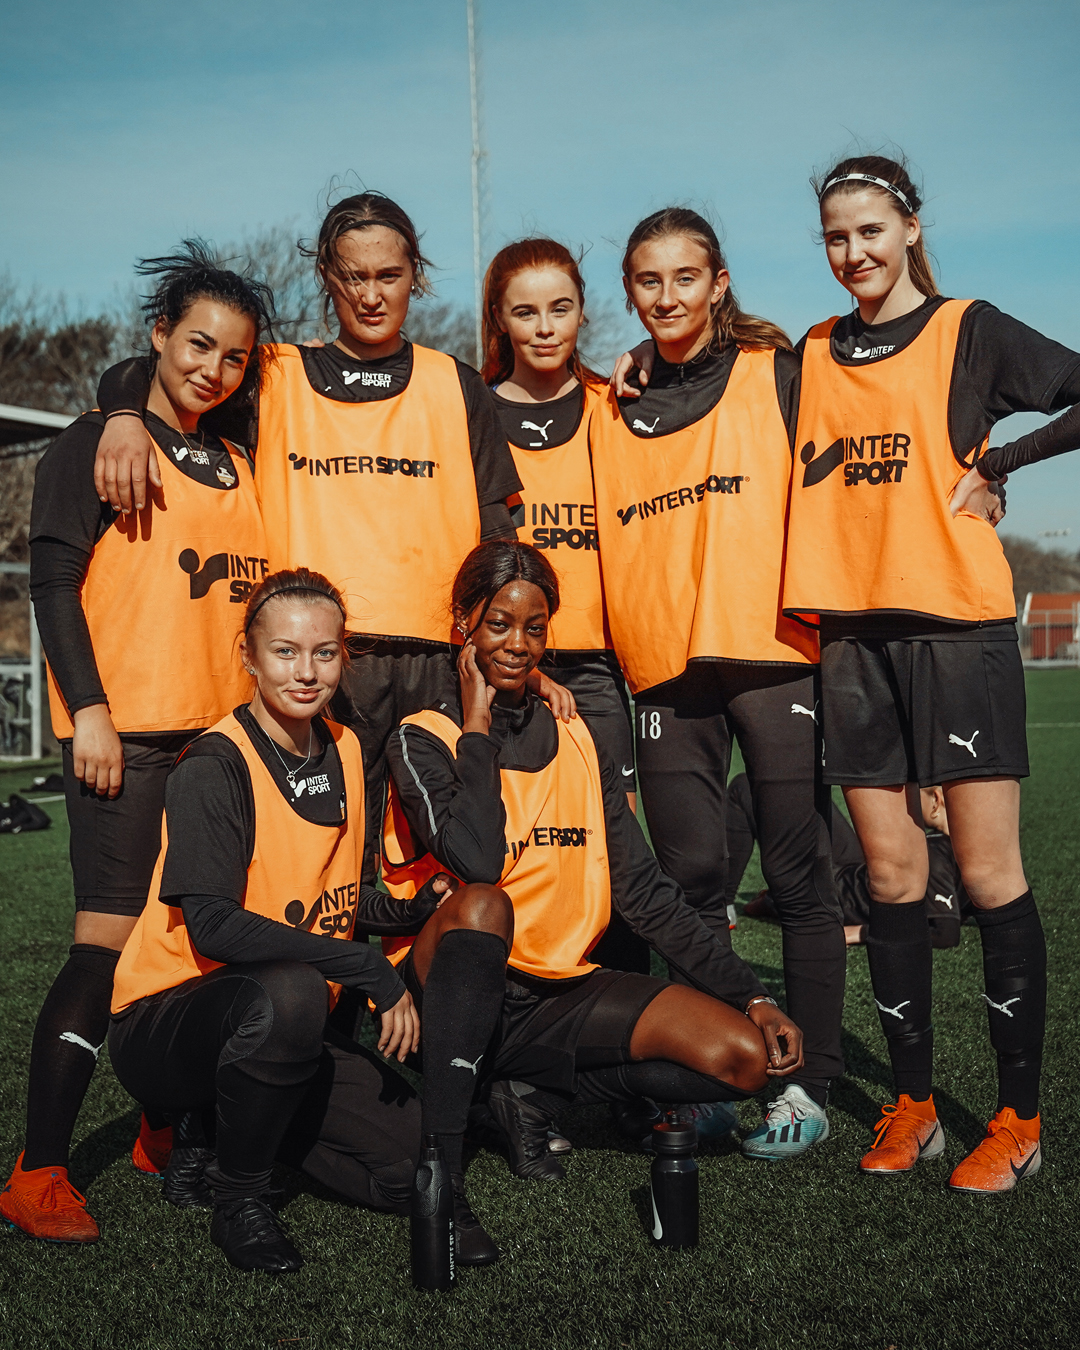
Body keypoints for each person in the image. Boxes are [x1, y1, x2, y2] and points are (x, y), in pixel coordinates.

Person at [90, 192, 544, 888]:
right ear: (327, 277)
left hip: (435, 663)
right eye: (353, 277)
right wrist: (123, 416)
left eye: (388, 275)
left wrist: (515, 650)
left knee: (446, 862)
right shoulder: (273, 376)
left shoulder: (455, 385)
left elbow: (498, 540)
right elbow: (150, 372)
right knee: (326, 863)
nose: (371, 295)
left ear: (415, 276)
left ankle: (429, 964)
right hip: (321, 665)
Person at [782, 151, 1080, 1192]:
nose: (853, 252)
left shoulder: (970, 330)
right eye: (835, 237)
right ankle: (913, 1108)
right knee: (895, 881)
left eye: (870, 230)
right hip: (852, 641)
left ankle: (1018, 1120)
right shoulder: (812, 352)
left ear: (910, 228)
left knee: (989, 877)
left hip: (958, 633)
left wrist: (998, 464)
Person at [380, 540, 804, 1262]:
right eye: (498, 624)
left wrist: (752, 995)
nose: (518, 644)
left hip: (555, 993)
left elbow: (645, 892)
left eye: (534, 627)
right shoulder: (424, 736)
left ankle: (524, 1093)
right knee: (483, 904)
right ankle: (440, 1175)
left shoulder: (577, 736)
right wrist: (478, 728)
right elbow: (477, 861)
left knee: (743, 1059)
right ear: (462, 625)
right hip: (446, 993)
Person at [0, 245, 274, 1244]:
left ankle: (164, 1130)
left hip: (218, 750)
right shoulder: (98, 441)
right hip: (128, 741)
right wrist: (89, 711)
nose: (212, 368)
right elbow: (52, 583)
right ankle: (37, 1171)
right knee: (104, 946)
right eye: (196, 344)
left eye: (233, 356)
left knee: (195, 946)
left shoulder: (238, 457)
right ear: (158, 335)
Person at [591, 208, 844, 1162]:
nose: (667, 297)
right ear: (630, 293)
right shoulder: (615, 401)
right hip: (666, 668)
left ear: (719, 282)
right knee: (691, 879)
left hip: (776, 653)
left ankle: (809, 1086)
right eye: (649, 281)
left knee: (798, 876)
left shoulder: (777, 372)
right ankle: (711, 1079)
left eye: (685, 278)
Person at [108, 569, 443, 1274]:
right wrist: (365, 967)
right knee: (289, 989)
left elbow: (335, 898)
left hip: (282, 1021)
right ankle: (239, 1197)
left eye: (324, 652)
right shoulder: (214, 763)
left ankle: (228, 1124)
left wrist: (411, 909)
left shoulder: (346, 748)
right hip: (167, 1021)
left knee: (409, 1165)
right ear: (249, 656)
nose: (306, 671)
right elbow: (213, 926)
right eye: (285, 652)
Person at [481, 237, 647, 974]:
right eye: (526, 312)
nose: (545, 327)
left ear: (583, 311)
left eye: (561, 308)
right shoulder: (472, 412)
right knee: (511, 845)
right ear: (500, 318)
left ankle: (628, 1021)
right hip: (505, 667)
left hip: (599, 672)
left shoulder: (620, 405)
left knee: (617, 849)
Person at [726, 774, 969, 947]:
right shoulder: (972, 857)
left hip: (829, 892)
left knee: (744, 786)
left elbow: (945, 934)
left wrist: (860, 933)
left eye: (911, 793)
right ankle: (772, 898)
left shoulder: (934, 854)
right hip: (858, 872)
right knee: (807, 791)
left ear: (936, 800)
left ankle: (726, 903)